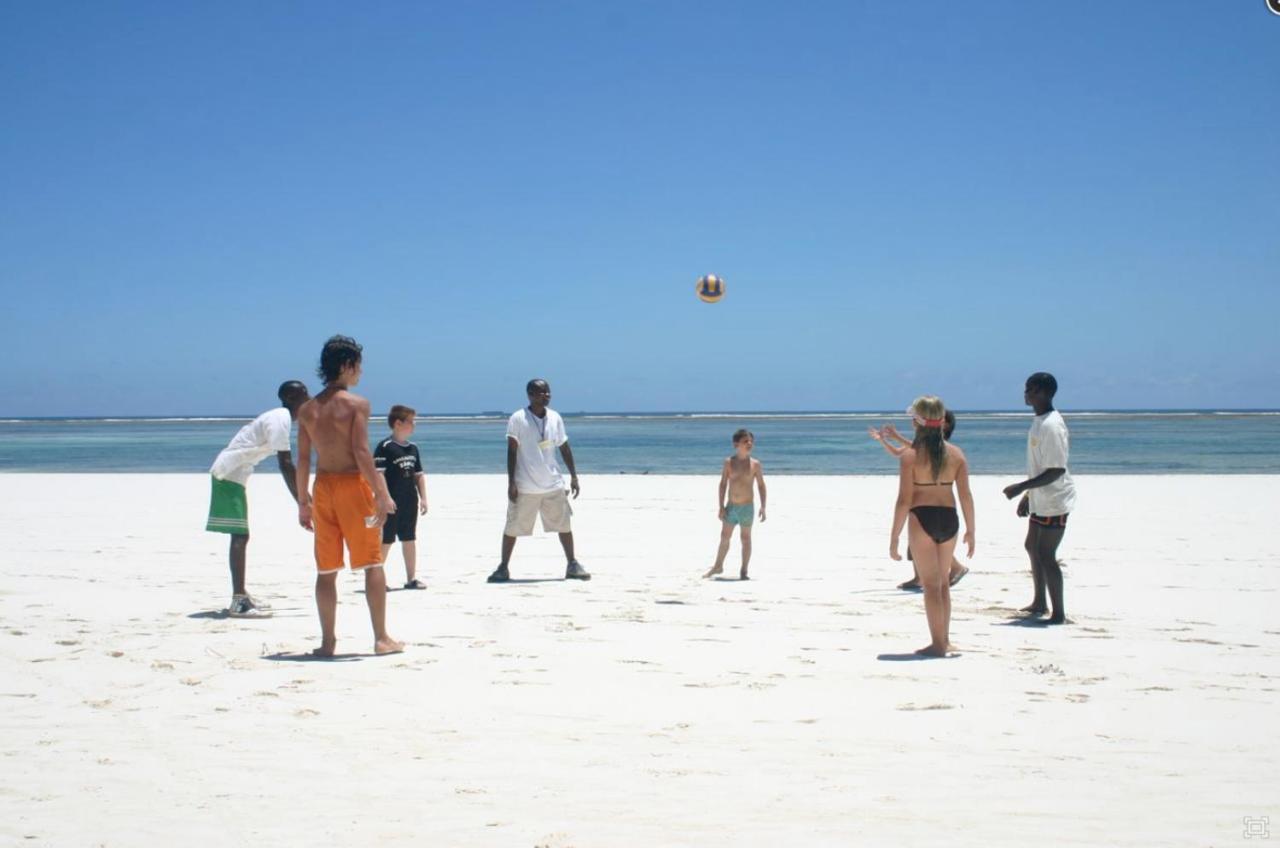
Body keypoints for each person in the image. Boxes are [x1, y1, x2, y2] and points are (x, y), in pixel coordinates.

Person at [295, 335, 404, 656]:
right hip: (353, 488)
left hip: (323, 487)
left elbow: (303, 459)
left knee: (326, 570)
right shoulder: (357, 405)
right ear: (346, 365)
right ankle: (381, 638)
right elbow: (360, 452)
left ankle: (328, 642)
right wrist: (382, 493)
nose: (360, 373)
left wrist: (303, 502)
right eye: (358, 367)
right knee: (372, 563)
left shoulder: (307, 410)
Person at [206, 380, 309, 618]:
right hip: (227, 475)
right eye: (304, 394)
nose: (309, 398)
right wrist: (302, 501)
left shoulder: (280, 416)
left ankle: (241, 595)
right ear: (292, 398)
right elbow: (285, 464)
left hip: (234, 475)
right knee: (240, 536)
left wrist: (303, 497)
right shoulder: (281, 418)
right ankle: (239, 601)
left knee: (241, 535)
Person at [889, 396, 975, 657]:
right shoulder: (957, 454)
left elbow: (904, 500)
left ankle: (937, 644)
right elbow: (965, 496)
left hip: (921, 518)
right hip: (949, 517)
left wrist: (894, 537)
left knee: (931, 585)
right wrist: (972, 530)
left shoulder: (910, 456)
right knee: (943, 586)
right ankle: (945, 640)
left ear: (917, 422)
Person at [487, 379, 589, 583]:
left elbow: (564, 447)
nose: (547, 396)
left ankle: (572, 564)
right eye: (542, 393)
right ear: (530, 395)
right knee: (512, 527)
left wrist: (574, 476)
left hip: (553, 483)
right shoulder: (518, 418)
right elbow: (512, 451)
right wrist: (511, 482)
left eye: (548, 392)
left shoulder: (555, 417)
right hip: (525, 485)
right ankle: (503, 567)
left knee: (564, 525)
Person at [1002, 372, 1076, 624]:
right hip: (1040, 497)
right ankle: (1039, 602)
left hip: (1055, 500)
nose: (1026, 394)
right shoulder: (1039, 421)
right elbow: (1040, 466)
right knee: (1031, 546)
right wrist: (1028, 495)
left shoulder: (1052, 425)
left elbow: (1055, 470)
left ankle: (1058, 614)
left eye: (1031, 390)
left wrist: (1020, 486)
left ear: (1044, 392)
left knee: (1046, 554)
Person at [871, 411, 969, 590]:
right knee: (920, 543)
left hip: (931, 505)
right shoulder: (921, 446)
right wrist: (883, 440)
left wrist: (895, 436)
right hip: (921, 505)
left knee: (929, 545)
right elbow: (900, 452)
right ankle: (920, 577)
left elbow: (917, 451)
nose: (916, 422)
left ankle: (950, 569)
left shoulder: (940, 449)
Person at [374, 405, 429, 589]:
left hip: (409, 501)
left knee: (409, 538)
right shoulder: (385, 447)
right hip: (390, 502)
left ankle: (411, 578)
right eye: (411, 422)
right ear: (398, 423)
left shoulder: (413, 448)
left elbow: (419, 475)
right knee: (386, 539)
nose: (413, 426)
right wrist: (386, 498)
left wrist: (424, 498)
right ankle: (377, 579)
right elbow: (378, 474)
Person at [702, 429, 767, 580]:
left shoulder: (755, 464)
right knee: (724, 536)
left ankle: (744, 571)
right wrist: (720, 506)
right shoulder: (729, 462)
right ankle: (718, 566)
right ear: (736, 444)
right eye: (745, 441)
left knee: (745, 538)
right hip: (731, 506)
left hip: (747, 507)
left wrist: (763, 506)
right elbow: (723, 484)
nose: (749, 443)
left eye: (751, 441)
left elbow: (761, 486)